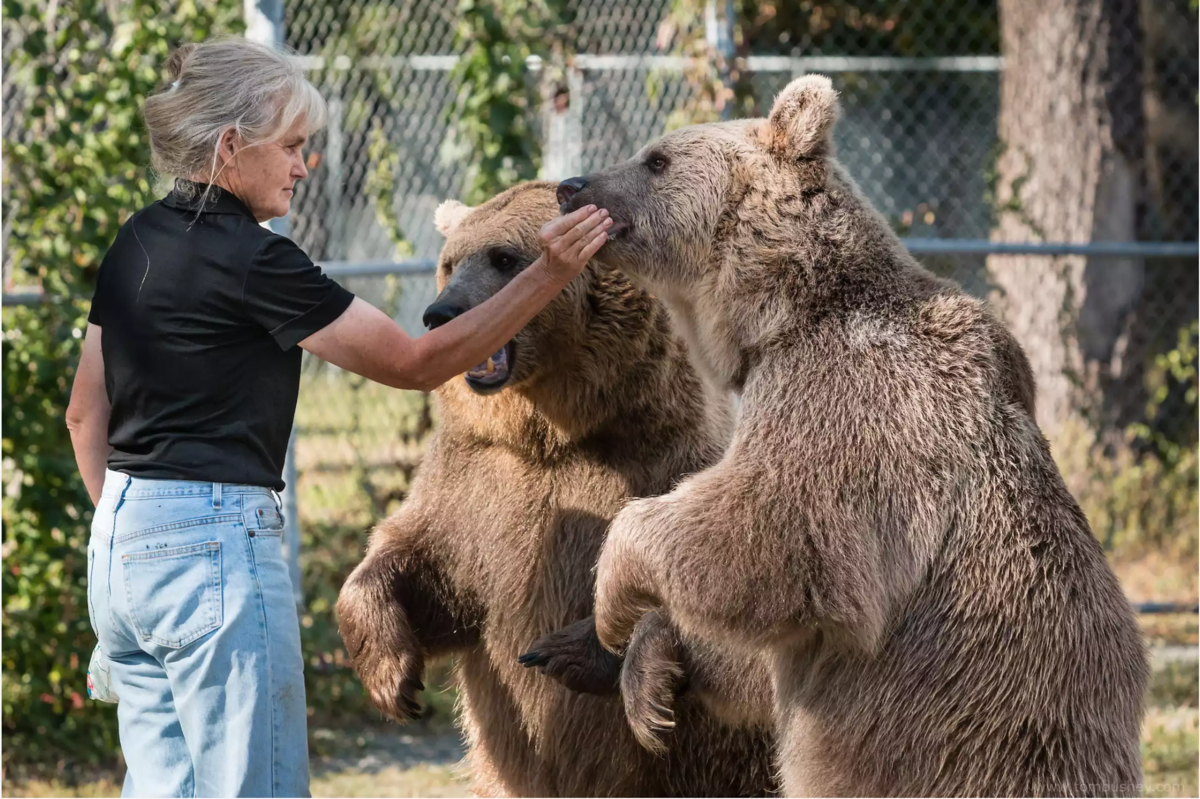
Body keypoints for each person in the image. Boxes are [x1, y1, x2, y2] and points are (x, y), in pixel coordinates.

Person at [64, 37, 609, 798]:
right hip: (212, 550)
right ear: (229, 147)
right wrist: (549, 274)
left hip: (121, 545)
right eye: (290, 146)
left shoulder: (134, 243)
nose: (302, 165)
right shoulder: (255, 260)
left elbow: (84, 415)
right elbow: (415, 364)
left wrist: (135, 537)